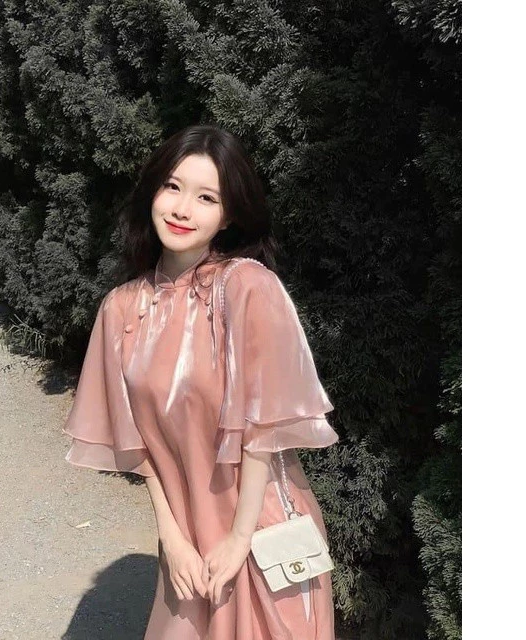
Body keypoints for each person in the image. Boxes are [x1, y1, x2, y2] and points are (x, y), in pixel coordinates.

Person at [62, 124, 339, 639]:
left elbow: (263, 431)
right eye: (173, 187)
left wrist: (238, 540)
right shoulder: (121, 309)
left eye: (206, 197)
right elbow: (136, 446)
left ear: (228, 215)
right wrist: (171, 538)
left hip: (262, 528)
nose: (182, 209)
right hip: (186, 540)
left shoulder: (248, 287)